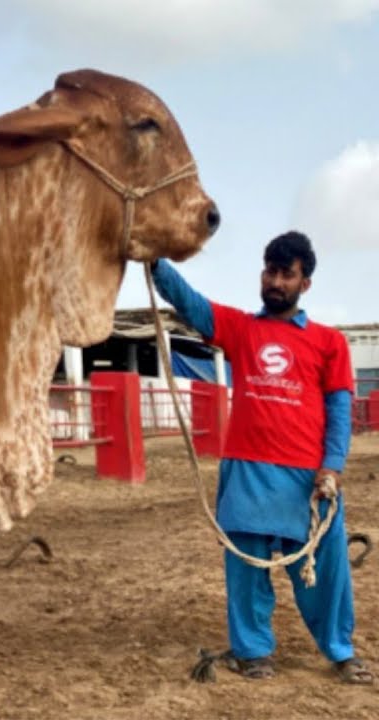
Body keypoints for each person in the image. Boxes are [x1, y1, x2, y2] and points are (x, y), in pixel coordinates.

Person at [151, 231, 371, 684]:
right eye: (269, 270)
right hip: (247, 470)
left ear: (304, 284)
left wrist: (332, 466)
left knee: (326, 572)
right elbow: (191, 304)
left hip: (306, 477)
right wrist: (153, 262)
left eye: (286, 274)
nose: (274, 281)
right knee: (246, 567)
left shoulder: (330, 343)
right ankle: (253, 651)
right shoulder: (241, 329)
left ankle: (340, 650)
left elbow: (339, 410)